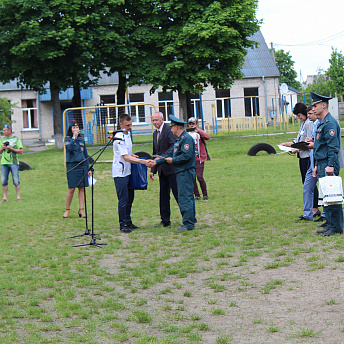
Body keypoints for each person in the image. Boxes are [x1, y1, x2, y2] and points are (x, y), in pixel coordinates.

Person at [150, 115, 196, 233]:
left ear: (176, 127)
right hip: (180, 172)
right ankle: (189, 221)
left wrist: (173, 160)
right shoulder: (179, 139)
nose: (170, 129)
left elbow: (186, 155)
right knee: (183, 197)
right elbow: (168, 154)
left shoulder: (186, 139)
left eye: (172, 127)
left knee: (185, 197)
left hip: (185, 172)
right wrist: (155, 162)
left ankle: (188, 223)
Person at [113, 114, 152, 233]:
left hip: (128, 171)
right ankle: (122, 224)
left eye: (130, 125)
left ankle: (128, 221)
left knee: (130, 198)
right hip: (120, 173)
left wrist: (134, 155)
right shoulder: (118, 137)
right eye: (127, 125)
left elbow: (129, 154)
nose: (129, 127)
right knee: (123, 199)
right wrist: (143, 161)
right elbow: (125, 157)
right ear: (121, 125)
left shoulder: (128, 135)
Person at [312, 92, 343, 236]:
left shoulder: (330, 123)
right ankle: (330, 224)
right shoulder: (322, 123)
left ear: (323, 105)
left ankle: (336, 226)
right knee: (326, 196)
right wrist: (317, 165)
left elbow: (333, 147)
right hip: (322, 163)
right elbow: (320, 147)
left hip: (329, 164)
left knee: (332, 196)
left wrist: (330, 165)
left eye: (315, 105)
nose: (313, 108)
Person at [280, 102, 318, 219]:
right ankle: (310, 208)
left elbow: (308, 142)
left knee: (310, 184)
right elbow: (298, 140)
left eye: (299, 115)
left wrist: (295, 147)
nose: (298, 117)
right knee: (305, 182)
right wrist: (290, 146)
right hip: (302, 156)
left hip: (308, 157)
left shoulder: (309, 124)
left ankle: (314, 208)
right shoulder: (303, 124)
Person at [149, 112, 178, 227]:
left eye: (157, 120)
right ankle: (165, 220)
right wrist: (153, 170)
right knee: (163, 196)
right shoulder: (155, 134)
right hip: (161, 170)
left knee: (178, 194)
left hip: (172, 169)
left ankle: (188, 218)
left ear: (162, 119)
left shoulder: (169, 130)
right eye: (153, 120)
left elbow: (173, 147)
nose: (155, 122)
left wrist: (162, 158)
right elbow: (155, 153)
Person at [64, 122, 91, 218]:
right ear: (70, 129)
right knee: (71, 188)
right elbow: (69, 148)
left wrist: (88, 168)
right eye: (74, 127)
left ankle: (81, 210)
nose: (76, 129)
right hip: (72, 166)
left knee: (82, 188)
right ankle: (67, 210)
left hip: (82, 166)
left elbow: (85, 155)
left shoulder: (81, 140)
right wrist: (74, 138)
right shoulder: (67, 139)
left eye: (77, 127)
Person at [187, 117, 210, 201]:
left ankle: (205, 194)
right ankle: (197, 195)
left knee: (199, 177)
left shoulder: (200, 133)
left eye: (193, 124)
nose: (191, 125)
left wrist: (198, 131)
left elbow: (207, 137)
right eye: (190, 124)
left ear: (196, 124)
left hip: (199, 159)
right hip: (190, 159)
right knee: (192, 178)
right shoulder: (187, 134)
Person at [0, 124, 23, 203]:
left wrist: (11, 148)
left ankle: (18, 197)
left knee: (16, 180)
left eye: (5, 130)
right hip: (3, 163)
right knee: (3, 181)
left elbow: (21, 151)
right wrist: (2, 148)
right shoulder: (2, 140)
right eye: (3, 130)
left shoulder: (16, 139)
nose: (3, 132)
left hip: (13, 162)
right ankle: (5, 197)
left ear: (9, 131)